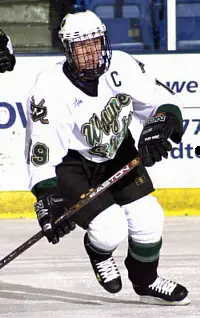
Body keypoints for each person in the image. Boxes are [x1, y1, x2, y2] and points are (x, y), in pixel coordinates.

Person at [25, 10, 190, 305]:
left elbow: (161, 100)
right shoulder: (49, 88)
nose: (90, 52)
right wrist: (47, 198)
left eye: (95, 43)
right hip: (72, 164)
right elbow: (41, 150)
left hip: (116, 151)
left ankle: (146, 282)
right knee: (109, 229)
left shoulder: (123, 65)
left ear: (103, 40)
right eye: (80, 46)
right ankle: (98, 251)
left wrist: (163, 122)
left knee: (149, 218)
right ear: (68, 50)